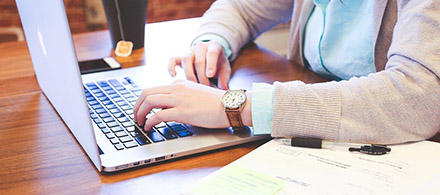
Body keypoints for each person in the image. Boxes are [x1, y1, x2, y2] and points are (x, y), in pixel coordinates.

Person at [134, 0, 440, 144]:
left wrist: (237, 106)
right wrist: (212, 42)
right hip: (315, 139)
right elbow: (241, 7)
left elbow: (418, 96)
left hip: (396, 151)